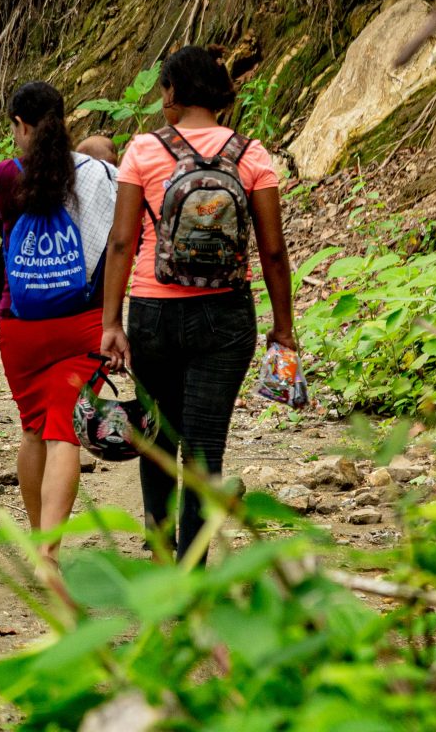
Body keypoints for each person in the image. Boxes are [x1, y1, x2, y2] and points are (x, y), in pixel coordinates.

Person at [99, 45, 296, 562]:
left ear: (170, 92)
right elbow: (273, 250)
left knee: (159, 439)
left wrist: (110, 323)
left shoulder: (142, 150)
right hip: (226, 315)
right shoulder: (251, 154)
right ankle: (195, 577)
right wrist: (283, 326)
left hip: (151, 312)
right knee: (205, 452)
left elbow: (121, 242)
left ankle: (161, 559)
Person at [0, 81, 117, 565]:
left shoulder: (7, 176)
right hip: (81, 322)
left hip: (19, 325)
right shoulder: (98, 175)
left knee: (31, 430)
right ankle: (50, 551)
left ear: (22, 126)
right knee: (63, 430)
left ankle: (35, 533)